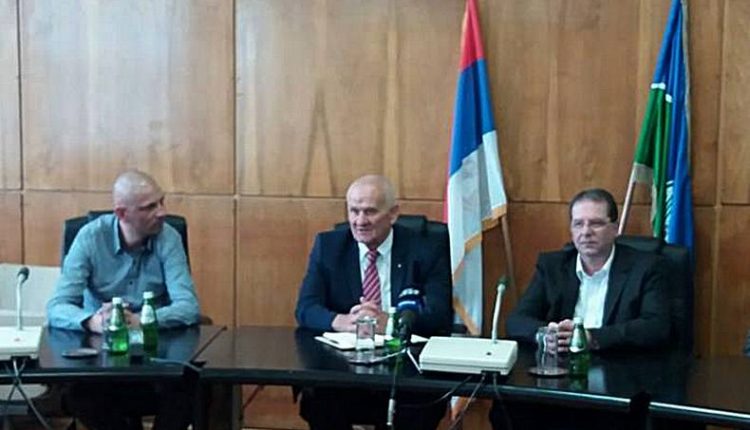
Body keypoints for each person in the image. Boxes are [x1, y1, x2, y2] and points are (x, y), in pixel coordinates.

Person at [492, 188, 672, 430]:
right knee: (508, 406)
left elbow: (656, 326)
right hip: (560, 379)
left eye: (596, 223)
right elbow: (517, 320)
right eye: (578, 224)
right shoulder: (553, 266)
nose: (586, 232)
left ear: (615, 228)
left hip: (619, 379)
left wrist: (592, 338)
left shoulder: (647, 267)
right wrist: (546, 335)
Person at [295, 174, 453, 430]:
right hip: (343, 369)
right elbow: (305, 308)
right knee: (321, 402)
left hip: (406, 371)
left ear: (393, 214)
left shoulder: (426, 248)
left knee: (418, 408)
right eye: (354, 211)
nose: (360, 221)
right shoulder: (329, 246)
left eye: (369, 212)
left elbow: (439, 313)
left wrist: (389, 323)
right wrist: (343, 321)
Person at [47, 169, 200, 430]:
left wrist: (140, 320)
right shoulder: (90, 238)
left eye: (161, 202)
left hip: (156, 353)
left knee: (193, 386)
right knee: (80, 394)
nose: (162, 212)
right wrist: (93, 321)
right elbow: (57, 307)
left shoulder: (168, 237)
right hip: (102, 356)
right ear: (121, 213)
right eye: (150, 207)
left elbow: (188, 307)